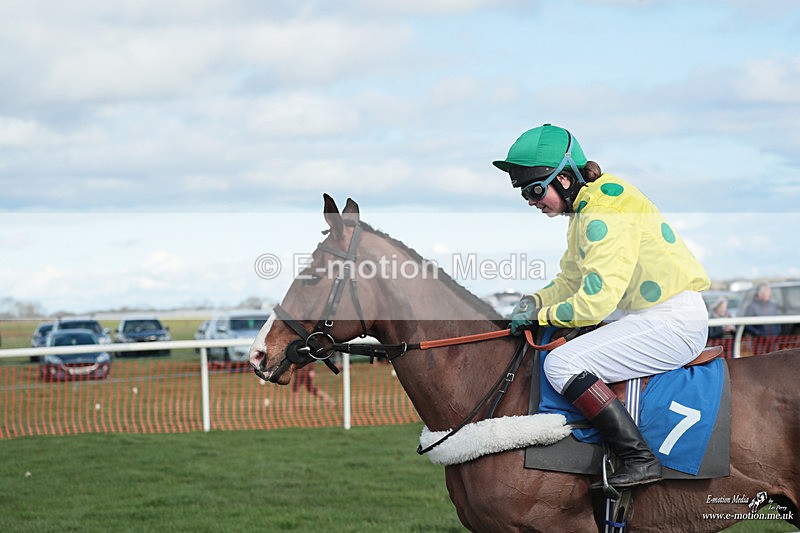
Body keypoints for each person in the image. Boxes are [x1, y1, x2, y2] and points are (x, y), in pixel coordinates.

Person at [494, 124, 710, 491]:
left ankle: (638, 459)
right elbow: (570, 280)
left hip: (671, 322)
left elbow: (595, 303)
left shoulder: (602, 213)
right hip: (649, 316)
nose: (531, 201)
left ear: (563, 179)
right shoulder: (587, 208)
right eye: (524, 195)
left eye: (534, 190)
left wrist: (539, 315)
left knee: (562, 363)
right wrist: (535, 301)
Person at [743, 284, 780, 353]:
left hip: (773, 341)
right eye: (766, 293)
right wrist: (759, 333)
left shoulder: (773, 305)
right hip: (759, 343)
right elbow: (747, 325)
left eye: (769, 293)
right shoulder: (751, 307)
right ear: (760, 294)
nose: (768, 295)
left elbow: (777, 322)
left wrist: (777, 332)